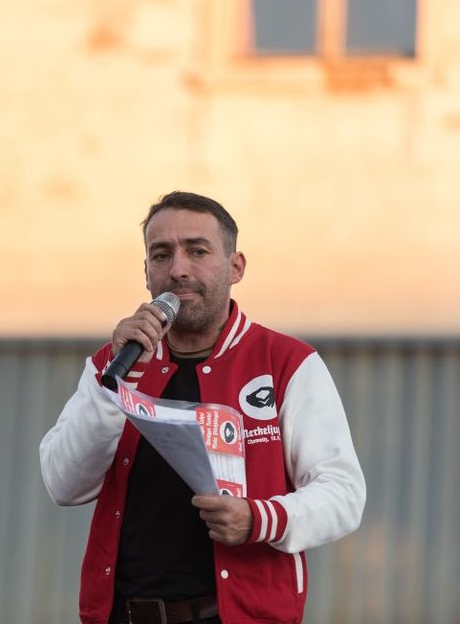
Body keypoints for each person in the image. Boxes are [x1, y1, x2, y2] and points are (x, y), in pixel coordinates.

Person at [39, 192, 366, 624]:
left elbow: (343, 493)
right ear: (146, 272)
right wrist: (114, 384)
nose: (178, 269)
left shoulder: (285, 362)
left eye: (197, 250)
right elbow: (65, 484)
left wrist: (259, 518)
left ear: (236, 267)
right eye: (161, 254)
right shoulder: (114, 362)